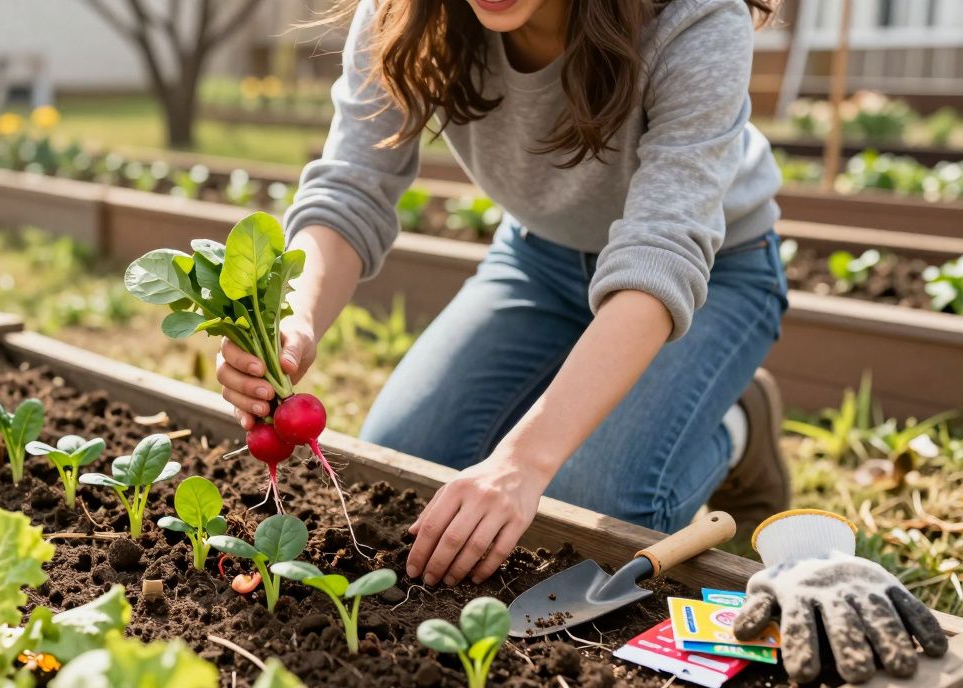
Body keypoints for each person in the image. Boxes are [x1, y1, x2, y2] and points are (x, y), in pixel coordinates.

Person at [216, 0, 789, 587]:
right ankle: (586, 397)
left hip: (713, 274)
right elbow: (349, 188)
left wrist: (525, 462)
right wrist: (295, 317)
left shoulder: (695, 17)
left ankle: (739, 427)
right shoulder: (406, 13)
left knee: (592, 508)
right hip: (541, 258)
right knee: (404, 460)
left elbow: (661, 254)